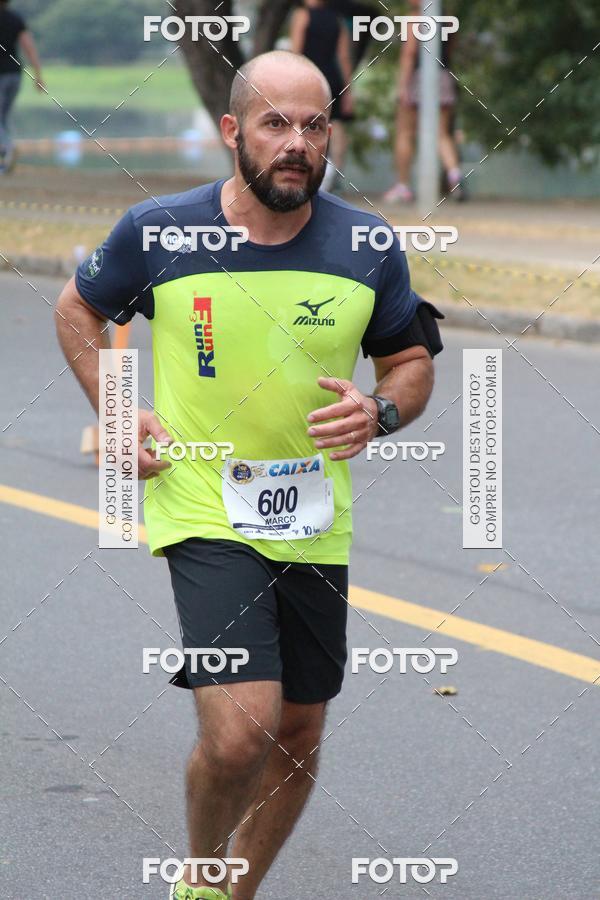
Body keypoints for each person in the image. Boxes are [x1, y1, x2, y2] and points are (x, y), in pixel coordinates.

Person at [55, 50, 443, 900]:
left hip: (313, 516)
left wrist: (380, 411)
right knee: (241, 734)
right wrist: (117, 407)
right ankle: (197, 878)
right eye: (275, 123)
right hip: (200, 501)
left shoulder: (368, 244)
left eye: (313, 125)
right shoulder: (162, 231)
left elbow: (411, 361)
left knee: (298, 732)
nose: (296, 143)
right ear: (233, 131)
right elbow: (78, 308)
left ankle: (238, 890)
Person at [384, 0, 464, 203]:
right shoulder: (447, 19)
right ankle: (455, 176)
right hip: (443, 77)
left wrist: (402, 87)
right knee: (442, 134)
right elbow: (451, 50)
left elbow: (409, 54)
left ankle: (403, 186)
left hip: (419, 78)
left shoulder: (414, 19)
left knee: (405, 133)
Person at [290, 0, 354, 192]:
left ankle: (313, 170)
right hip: (332, 78)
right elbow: (343, 57)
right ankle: (334, 172)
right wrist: (348, 90)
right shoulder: (338, 20)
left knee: (306, 123)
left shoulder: (302, 15)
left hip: (308, 77)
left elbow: (296, 52)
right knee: (336, 125)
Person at [0, 0, 44, 173]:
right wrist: (38, 75)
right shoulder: (16, 19)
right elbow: (29, 47)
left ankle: (8, 148)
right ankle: (4, 159)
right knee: (3, 117)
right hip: (15, 74)